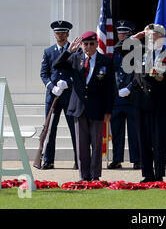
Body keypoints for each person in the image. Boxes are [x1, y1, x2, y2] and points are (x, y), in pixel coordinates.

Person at [53, 31, 114, 181]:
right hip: (79, 107)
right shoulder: (75, 58)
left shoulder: (105, 61)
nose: (88, 47)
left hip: (97, 108)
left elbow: (110, 88)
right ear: (81, 45)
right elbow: (57, 65)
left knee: (97, 144)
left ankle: (95, 175)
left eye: (91, 44)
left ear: (97, 44)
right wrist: (68, 51)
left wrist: (108, 110)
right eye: (85, 44)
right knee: (81, 145)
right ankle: (83, 175)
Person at [128, 24, 166, 183]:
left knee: (160, 141)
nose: (151, 36)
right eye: (149, 34)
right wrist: (134, 38)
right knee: (143, 141)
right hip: (141, 103)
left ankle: (159, 175)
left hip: (160, 104)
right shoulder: (139, 53)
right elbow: (117, 49)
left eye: (154, 34)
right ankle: (147, 174)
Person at [40, 20, 78, 170]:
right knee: (50, 129)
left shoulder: (76, 51)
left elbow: (79, 72)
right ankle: (48, 160)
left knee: (75, 130)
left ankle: (78, 159)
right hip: (53, 97)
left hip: (70, 96)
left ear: (68, 34)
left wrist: (68, 82)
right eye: (58, 32)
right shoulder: (48, 52)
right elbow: (44, 74)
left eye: (63, 32)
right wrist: (51, 87)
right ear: (54, 34)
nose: (60, 35)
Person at [107, 20, 141, 170]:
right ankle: (117, 159)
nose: (122, 35)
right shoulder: (112, 51)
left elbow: (139, 74)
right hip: (116, 97)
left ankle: (136, 159)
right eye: (120, 32)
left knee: (134, 132)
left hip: (132, 97)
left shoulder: (137, 51)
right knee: (117, 131)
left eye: (125, 33)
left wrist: (129, 87)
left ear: (130, 34)